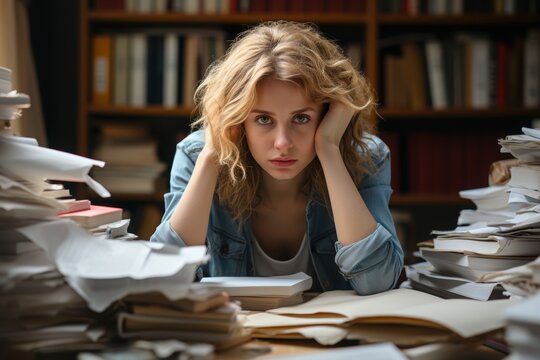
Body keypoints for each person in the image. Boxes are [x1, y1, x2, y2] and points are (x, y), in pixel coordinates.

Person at [150, 21, 404, 295]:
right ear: (237, 119)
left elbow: (377, 280)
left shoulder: (366, 157)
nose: (283, 143)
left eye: (301, 118)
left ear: (329, 114)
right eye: (263, 119)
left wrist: (328, 149)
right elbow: (166, 277)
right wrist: (214, 153)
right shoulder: (197, 155)